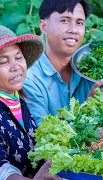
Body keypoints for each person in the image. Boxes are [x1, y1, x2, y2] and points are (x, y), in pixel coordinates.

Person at [23, 0, 103, 125]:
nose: (74, 30)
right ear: (44, 27)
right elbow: (40, 134)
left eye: (79, 23)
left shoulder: (95, 66)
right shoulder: (29, 79)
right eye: (64, 21)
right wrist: (88, 106)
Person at [0, 25, 61, 179]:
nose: (16, 67)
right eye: (3, 61)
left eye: (18, 57)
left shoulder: (19, 100)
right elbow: (3, 170)